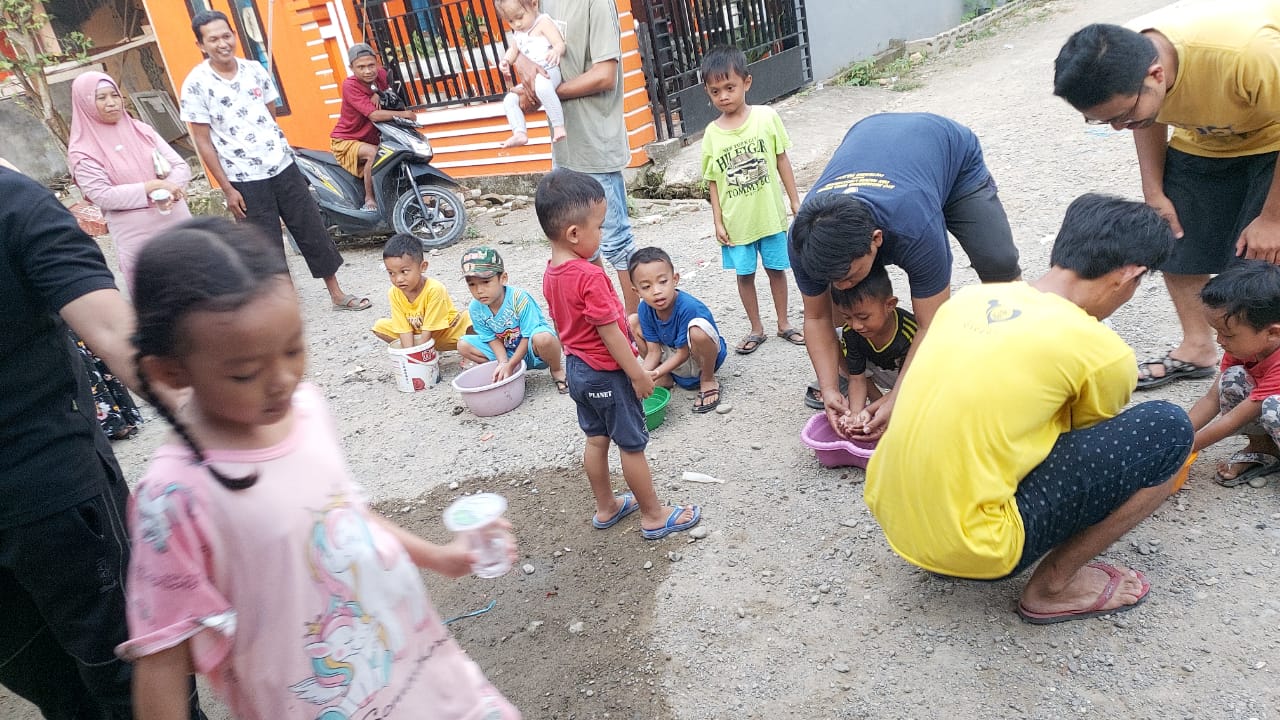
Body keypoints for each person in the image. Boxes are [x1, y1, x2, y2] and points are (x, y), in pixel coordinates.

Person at [119, 217, 520, 719]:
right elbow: (161, 658)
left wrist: (441, 558)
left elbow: (342, 514)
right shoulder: (172, 497)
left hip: (420, 674)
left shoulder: (306, 410)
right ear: (169, 372)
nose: (282, 380)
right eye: (245, 373)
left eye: (293, 349)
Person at [865, 194, 1193, 625]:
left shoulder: (967, 300)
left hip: (896, 517)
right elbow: (1081, 436)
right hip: (978, 548)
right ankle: (1052, 587)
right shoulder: (1102, 351)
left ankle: (951, 535)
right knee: (1168, 428)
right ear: (1128, 274)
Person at [0, 167, 204, 718]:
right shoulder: (13, 198)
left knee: (88, 679)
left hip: (48, 496)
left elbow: (116, 334)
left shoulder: (13, 203)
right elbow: (114, 334)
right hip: (53, 494)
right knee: (112, 676)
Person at [1052, 5, 1280, 390]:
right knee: (1174, 239)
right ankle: (1198, 347)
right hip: (1204, 140)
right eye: (1105, 121)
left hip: (1273, 137)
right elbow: (1145, 119)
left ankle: (1266, 365)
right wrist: (1154, 192)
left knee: (1260, 260)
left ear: (1156, 74)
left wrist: (1273, 218)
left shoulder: (1249, 53)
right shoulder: (1125, 58)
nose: (1119, 127)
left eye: (1123, 115)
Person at [789, 112, 1022, 440]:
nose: (841, 286)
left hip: (948, 156)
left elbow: (932, 323)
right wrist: (829, 387)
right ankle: (852, 370)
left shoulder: (914, 227)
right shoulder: (803, 238)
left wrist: (900, 396)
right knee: (838, 305)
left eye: (848, 275)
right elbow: (816, 318)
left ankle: (1021, 353)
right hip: (871, 136)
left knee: (998, 262)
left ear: (876, 240)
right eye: (834, 279)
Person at [537, 169, 701, 539]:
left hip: (577, 369)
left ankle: (606, 506)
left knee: (596, 440)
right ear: (574, 234)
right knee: (631, 445)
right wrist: (637, 374)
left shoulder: (552, 272)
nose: (602, 233)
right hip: (606, 374)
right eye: (598, 226)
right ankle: (654, 516)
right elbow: (608, 333)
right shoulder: (589, 277)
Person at [180, 10, 371, 311]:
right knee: (262, 244)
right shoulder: (196, 84)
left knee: (311, 229)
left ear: (234, 35)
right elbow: (203, 141)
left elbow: (269, 114)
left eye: (226, 36)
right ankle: (285, 307)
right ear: (201, 45)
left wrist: (271, 147)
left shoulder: (254, 70)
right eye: (213, 39)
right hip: (243, 178)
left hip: (282, 166)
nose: (222, 43)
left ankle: (337, 293)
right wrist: (227, 188)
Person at [514, 0, 640, 315]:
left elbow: (605, 75)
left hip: (596, 144)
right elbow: (525, 46)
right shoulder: (539, 4)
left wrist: (547, 92)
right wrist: (525, 66)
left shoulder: (595, 4)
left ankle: (637, 327)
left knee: (616, 243)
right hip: (564, 147)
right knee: (580, 244)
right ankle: (607, 320)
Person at [699, 46, 803, 356]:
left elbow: (782, 159)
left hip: (769, 215)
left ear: (747, 82)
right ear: (708, 93)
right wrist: (718, 221)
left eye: (729, 87)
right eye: (715, 91)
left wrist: (795, 201)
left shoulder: (766, 118)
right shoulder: (711, 134)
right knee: (744, 275)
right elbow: (714, 181)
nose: (723, 96)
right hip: (737, 223)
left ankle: (783, 323)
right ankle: (756, 328)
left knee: (776, 269)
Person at [67, 70, 193, 292]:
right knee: (159, 297)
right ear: (84, 103)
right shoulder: (82, 151)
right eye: (101, 97)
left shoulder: (142, 130)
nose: (111, 103)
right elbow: (103, 196)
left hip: (178, 222)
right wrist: (151, 187)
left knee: (201, 286)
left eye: (115, 95)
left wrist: (169, 189)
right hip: (138, 237)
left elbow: (181, 166)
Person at [1186, 260, 1280, 487]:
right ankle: (1264, 448)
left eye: (1228, 335)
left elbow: (1235, 418)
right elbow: (1211, 399)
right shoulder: (1246, 348)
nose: (1220, 341)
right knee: (1231, 379)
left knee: (1273, 408)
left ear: (1272, 333)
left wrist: (1182, 449)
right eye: (1216, 332)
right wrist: (1178, 434)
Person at [627, 246, 728, 413]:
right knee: (633, 321)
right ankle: (665, 378)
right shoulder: (645, 308)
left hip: (698, 357)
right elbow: (653, 351)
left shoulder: (688, 307)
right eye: (646, 286)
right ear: (636, 291)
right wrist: (642, 376)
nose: (656, 291)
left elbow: (683, 354)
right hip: (674, 357)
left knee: (698, 331)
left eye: (663, 282)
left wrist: (654, 373)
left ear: (675, 279)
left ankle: (708, 379)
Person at [456, 245, 568, 391]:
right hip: (506, 351)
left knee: (543, 338)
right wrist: (504, 362)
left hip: (532, 350)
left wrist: (511, 363)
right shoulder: (475, 308)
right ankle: (509, 372)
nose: (479, 290)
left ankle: (556, 369)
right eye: (472, 284)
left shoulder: (519, 298)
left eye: (486, 282)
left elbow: (527, 335)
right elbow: (490, 338)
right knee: (463, 345)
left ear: (503, 278)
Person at [824, 265, 917, 438]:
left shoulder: (911, 334)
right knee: (838, 340)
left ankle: (884, 407)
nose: (856, 325)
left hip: (914, 379)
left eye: (863, 317)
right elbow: (857, 378)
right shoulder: (851, 332)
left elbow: (908, 385)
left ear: (890, 305)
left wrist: (871, 410)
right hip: (885, 371)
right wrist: (855, 415)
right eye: (847, 317)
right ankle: (878, 401)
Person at [331, 43, 418, 211]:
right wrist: (405, 114)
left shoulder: (381, 75)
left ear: (377, 63)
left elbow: (388, 93)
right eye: (361, 67)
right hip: (347, 139)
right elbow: (374, 115)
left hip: (375, 136)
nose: (368, 71)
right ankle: (369, 199)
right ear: (352, 68)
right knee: (375, 153)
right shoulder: (350, 85)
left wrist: (377, 93)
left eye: (371, 65)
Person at [371, 233, 472, 353]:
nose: (398, 279)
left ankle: (464, 348)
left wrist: (422, 353)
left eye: (404, 271)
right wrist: (412, 355)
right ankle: (425, 352)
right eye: (391, 273)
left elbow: (428, 330)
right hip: (416, 337)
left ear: (423, 267)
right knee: (380, 326)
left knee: (470, 318)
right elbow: (404, 330)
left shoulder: (434, 289)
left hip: (444, 333)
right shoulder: (394, 292)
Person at [496, 0, 566, 148]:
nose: (517, 24)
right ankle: (519, 132)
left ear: (534, 5)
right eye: (511, 21)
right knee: (509, 100)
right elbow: (513, 51)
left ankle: (558, 125)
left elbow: (560, 43)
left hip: (549, 71)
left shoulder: (543, 22)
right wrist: (505, 61)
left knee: (542, 86)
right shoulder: (519, 33)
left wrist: (556, 51)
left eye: (520, 17)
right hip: (533, 79)